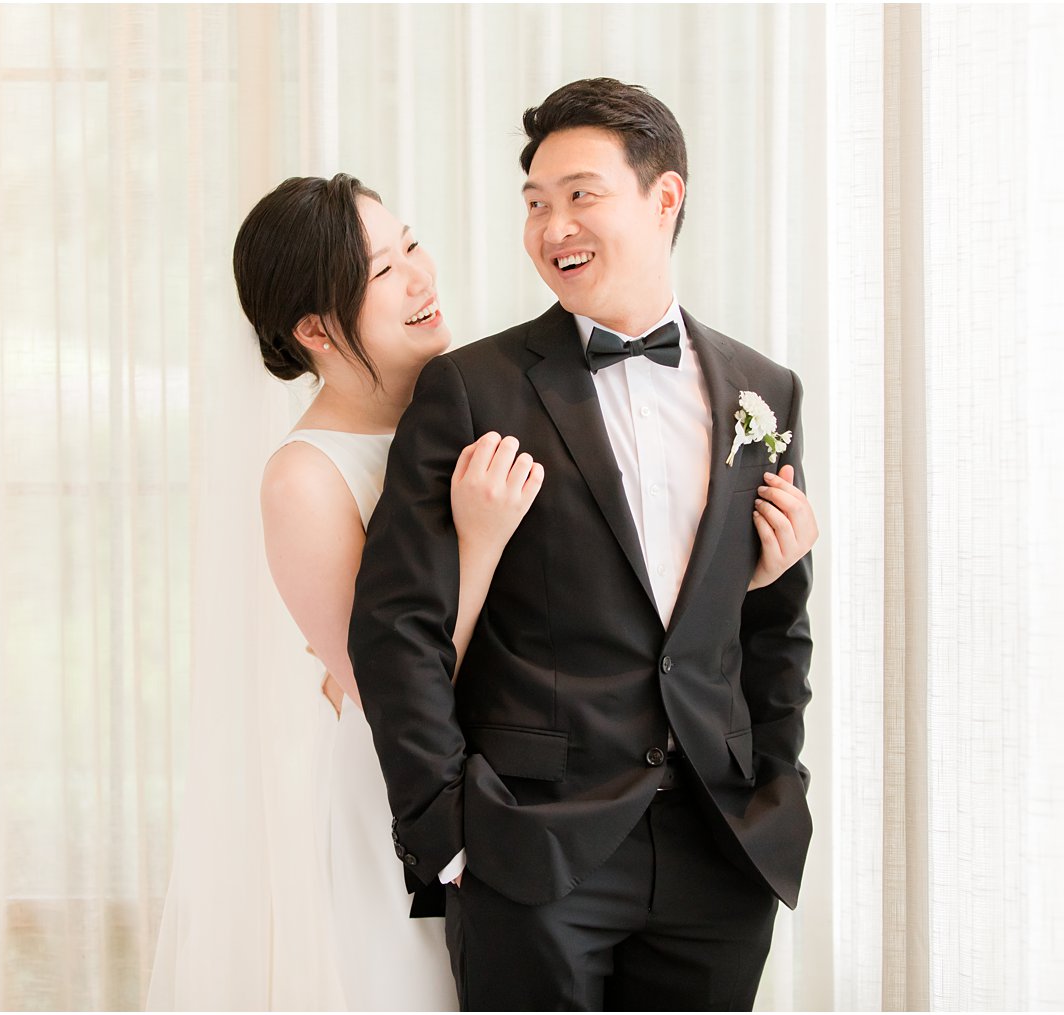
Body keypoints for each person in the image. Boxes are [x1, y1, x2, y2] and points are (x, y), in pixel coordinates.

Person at [348, 78, 819, 1011]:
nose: (552, 225)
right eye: (534, 203)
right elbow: (394, 623)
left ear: (665, 197)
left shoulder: (767, 393)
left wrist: (776, 786)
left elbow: (777, 623)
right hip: (534, 851)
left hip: (720, 853)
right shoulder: (471, 389)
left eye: (580, 195)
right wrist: (444, 830)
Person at [148, 174, 543, 1011]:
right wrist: (479, 542)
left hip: (544, 778)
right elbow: (389, 688)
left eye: (411, 243)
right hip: (407, 797)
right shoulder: (305, 480)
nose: (420, 275)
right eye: (382, 270)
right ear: (315, 329)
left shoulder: (489, 401)